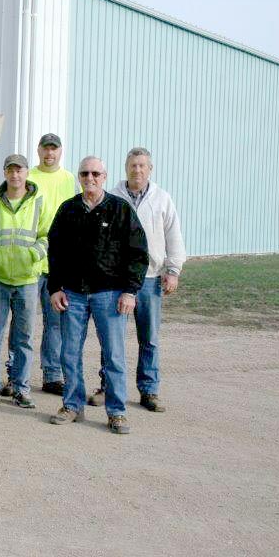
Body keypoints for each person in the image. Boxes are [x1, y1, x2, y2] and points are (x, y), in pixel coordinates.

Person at [47, 156, 148, 435]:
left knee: (114, 355)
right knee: (69, 352)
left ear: (104, 176)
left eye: (95, 173)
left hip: (110, 294)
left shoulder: (120, 210)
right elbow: (54, 252)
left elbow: (138, 253)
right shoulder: (67, 211)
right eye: (84, 173)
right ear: (79, 177)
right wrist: (55, 288)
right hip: (73, 295)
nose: (89, 178)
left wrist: (130, 290)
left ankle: (116, 412)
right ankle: (72, 405)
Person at [93, 147, 185, 412]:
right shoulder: (110, 198)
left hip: (150, 278)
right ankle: (107, 386)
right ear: (125, 168)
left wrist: (173, 270)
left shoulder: (162, 199)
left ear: (150, 169)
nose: (137, 170)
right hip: (115, 280)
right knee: (112, 338)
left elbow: (174, 236)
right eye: (133, 165)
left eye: (142, 166)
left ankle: (149, 390)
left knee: (149, 338)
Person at [0, 154, 52, 409]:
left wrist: (33, 254)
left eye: (19, 170)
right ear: (5, 173)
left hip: (28, 280)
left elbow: (46, 236)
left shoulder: (39, 203)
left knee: (23, 338)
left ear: (27, 172)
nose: (15, 175)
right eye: (10, 170)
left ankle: (21, 389)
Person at [28, 133, 80, 396]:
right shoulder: (28, 177)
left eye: (54, 149)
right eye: (46, 149)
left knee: (56, 322)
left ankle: (52, 375)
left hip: (59, 260)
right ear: (38, 150)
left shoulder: (70, 179)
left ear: (60, 152)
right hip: (32, 258)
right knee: (23, 323)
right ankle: (18, 375)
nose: (50, 153)